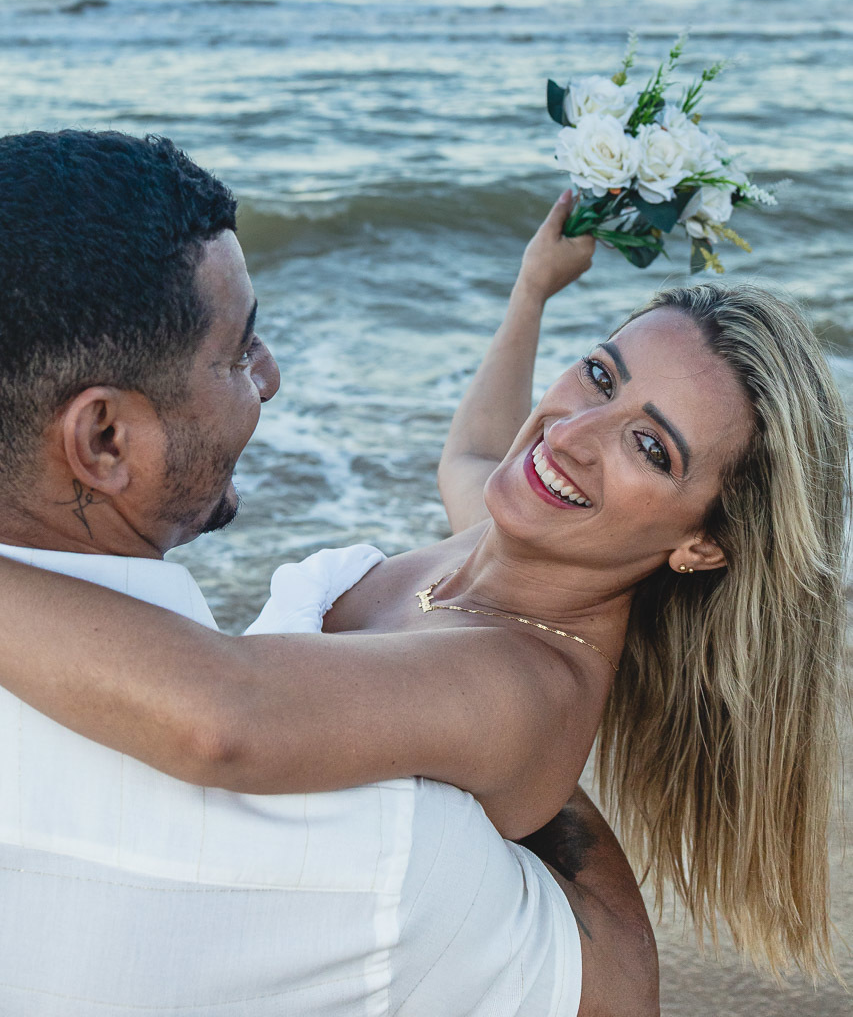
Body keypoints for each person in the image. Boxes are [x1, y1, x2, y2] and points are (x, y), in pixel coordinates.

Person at [0, 128, 657, 1017]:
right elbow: (612, 986)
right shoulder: (381, 855)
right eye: (239, 351)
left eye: (651, 445)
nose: (268, 378)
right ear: (104, 440)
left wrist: (534, 288)